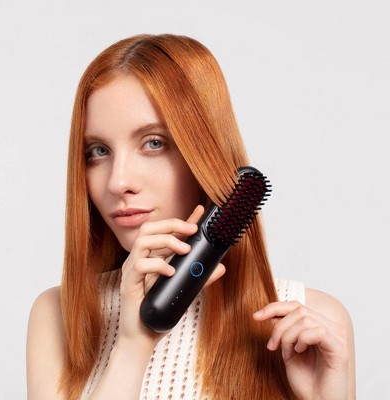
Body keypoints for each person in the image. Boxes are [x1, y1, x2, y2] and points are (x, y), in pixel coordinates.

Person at [26, 34, 355, 400]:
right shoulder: (58, 317)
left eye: (154, 143)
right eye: (99, 151)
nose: (118, 182)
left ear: (205, 154)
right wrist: (132, 348)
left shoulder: (310, 323)